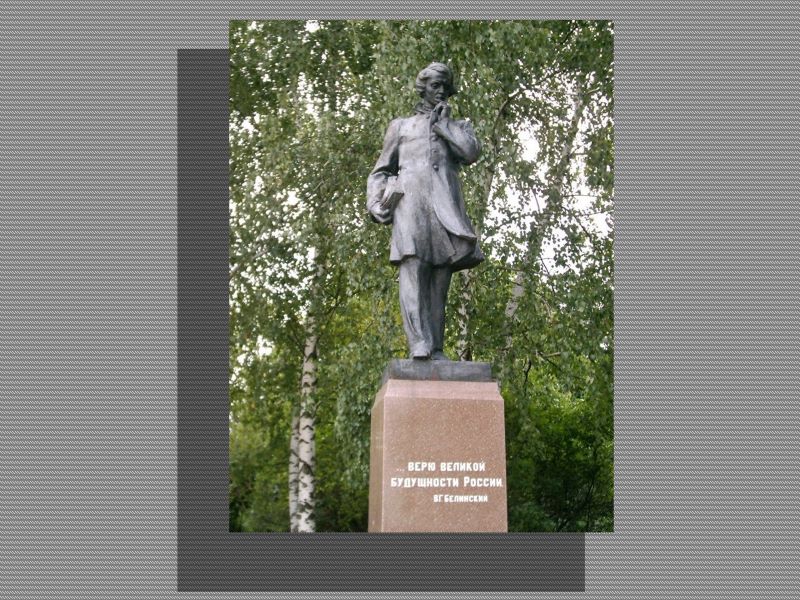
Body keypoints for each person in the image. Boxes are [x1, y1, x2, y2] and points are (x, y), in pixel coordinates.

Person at [367, 62, 484, 360]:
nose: (441, 91)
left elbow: (470, 153)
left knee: (440, 279)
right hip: (410, 205)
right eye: (435, 85)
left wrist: (444, 126)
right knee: (413, 267)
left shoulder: (459, 127)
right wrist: (375, 202)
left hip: (445, 208)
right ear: (423, 87)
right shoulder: (400, 126)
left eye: (445, 86)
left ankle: (436, 349)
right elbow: (380, 171)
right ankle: (419, 343)